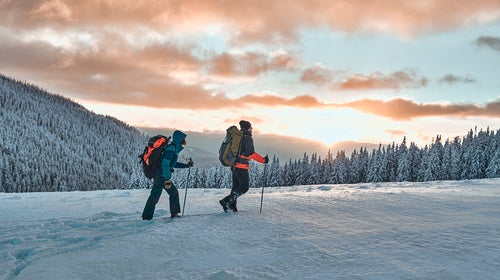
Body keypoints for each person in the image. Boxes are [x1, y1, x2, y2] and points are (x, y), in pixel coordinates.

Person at [142, 130, 194, 220]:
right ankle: (147, 217)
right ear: (180, 139)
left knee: (172, 193)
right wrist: (166, 178)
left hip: (162, 175)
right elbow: (165, 164)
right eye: (183, 138)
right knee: (155, 196)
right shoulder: (171, 149)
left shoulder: (173, 148)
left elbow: (172, 164)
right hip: (161, 176)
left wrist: (186, 165)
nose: (185, 140)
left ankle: (173, 214)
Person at [219, 120, 269, 212]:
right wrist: (263, 160)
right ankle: (226, 201)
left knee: (235, 187)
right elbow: (251, 154)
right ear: (248, 128)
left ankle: (232, 206)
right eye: (251, 127)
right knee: (244, 187)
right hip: (241, 167)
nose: (252, 129)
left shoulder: (238, 136)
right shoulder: (247, 137)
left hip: (234, 166)